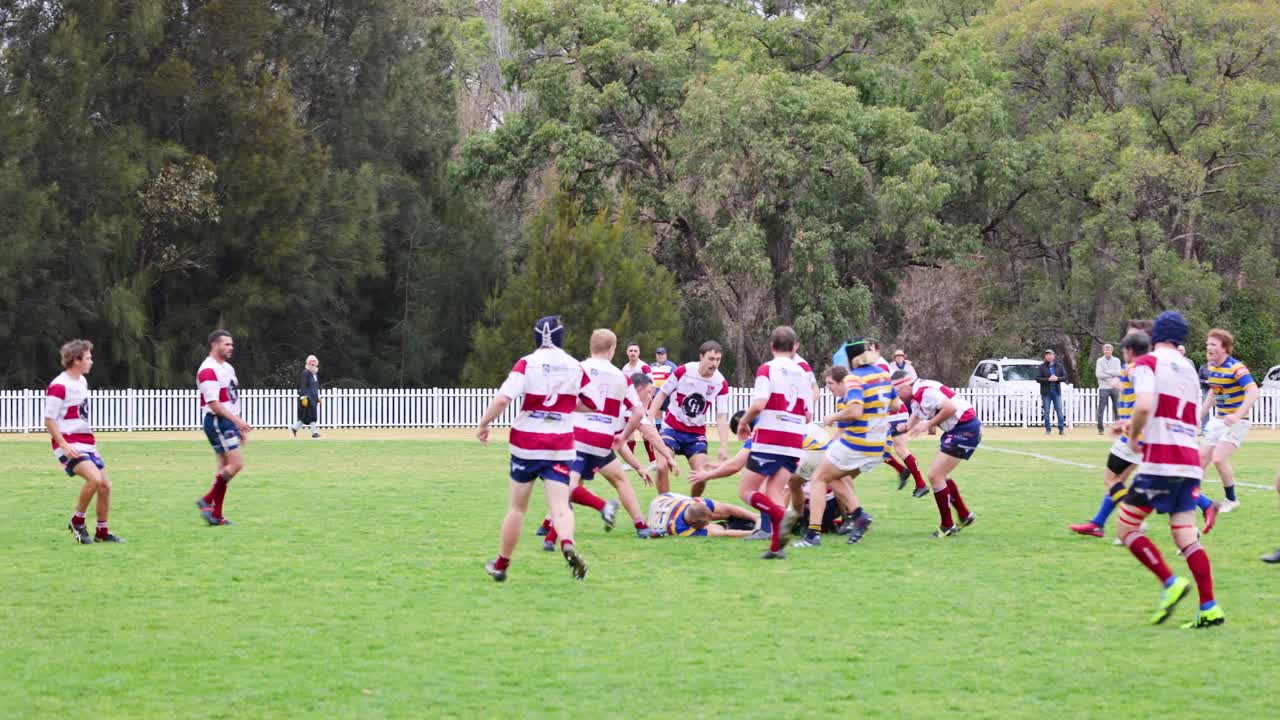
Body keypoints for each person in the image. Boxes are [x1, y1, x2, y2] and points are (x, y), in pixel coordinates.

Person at [1113, 311, 1222, 628]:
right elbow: (1178, 414)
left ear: (1155, 336)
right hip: (1189, 459)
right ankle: (1209, 607)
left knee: (1126, 528)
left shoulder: (1148, 362)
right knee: (1186, 535)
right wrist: (1133, 425)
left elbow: (1146, 405)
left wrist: (1134, 436)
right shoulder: (1189, 368)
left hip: (1161, 460)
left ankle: (1170, 583)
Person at [477, 315, 595, 582]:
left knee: (517, 509)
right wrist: (565, 405)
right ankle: (567, 543)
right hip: (560, 444)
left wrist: (484, 423)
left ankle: (501, 565)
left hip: (526, 444)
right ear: (561, 337)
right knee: (560, 506)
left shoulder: (526, 363)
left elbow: (503, 399)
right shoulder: (575, 366)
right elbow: (593, 402)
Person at [1069, 331, 1206, 538]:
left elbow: (1143, 398)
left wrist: (1129, 419)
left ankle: (1131, 521)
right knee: (1153, 481)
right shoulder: (1149, 367)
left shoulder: (1137, 368)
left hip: (1132, 435)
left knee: (1112, 480)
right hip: (1143, 434)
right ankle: (1098, 523)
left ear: (1129, 350)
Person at [542, 330, 663, 546]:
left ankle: (598, 509)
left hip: (576, 437)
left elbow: (556, 399)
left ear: (591, 346)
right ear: (612, 349)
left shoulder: (578, 369)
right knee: (619, 480)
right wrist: (623, 437)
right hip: (603, 441)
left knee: (567, 485)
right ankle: (641, 526)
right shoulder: (621, 377)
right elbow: (637, 412)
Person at [793, 341, 886, 548]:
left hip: (858, 443)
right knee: (835, 477)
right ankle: (855, 516)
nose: (828, 388)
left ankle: (813, 535)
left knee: (818, 478)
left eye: (830, 384)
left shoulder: (854, 380)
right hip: (878, 445)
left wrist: (832, 417)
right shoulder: (882, 376)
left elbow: (855, 412)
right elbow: (895, 404)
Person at [735, 326, 811, 559]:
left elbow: (760, 403)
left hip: (770, 438)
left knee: (746, 491)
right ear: (794, 347)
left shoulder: (767, 369)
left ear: (771, 346)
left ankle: (780, 516)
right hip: (794, 440)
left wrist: (743, 421)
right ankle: (777, 549)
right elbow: (808, 414)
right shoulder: (803, 373)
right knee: (774, 491)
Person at [44, 339, 123, 544]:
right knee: (94, 479)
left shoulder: (81, 381)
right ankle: (77, 521)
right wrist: (63, 445)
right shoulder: (59, 386)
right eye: (88, 358)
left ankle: (102, 532)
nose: (91, 361)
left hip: (86, 441)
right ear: (76, 360)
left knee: (105, 486)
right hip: (68, 443)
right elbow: (49, 420)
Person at [893, 371, 978, 538]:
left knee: (934, 476)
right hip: (958, 429)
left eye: (897, 391)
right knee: (941, 475)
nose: (897, 396)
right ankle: (964, 515)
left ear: (906, 386)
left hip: (965, 428)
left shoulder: (925, 391)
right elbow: (917, 414)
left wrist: (928, 424)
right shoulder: (916, 395)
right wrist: (906, 427)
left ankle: (947, 526)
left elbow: (950, 408)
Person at [648, 340, 731, 496]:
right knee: (661, 466)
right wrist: (649, 419)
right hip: (671, 429)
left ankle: (692, 506)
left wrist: (724, 447)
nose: (714, 363)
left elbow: (721, 417)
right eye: (711, 359)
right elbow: (662, 394)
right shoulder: (683, 371)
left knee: (702, 476)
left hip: (695, 434)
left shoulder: (721, 383)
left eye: (718, 359)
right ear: (701, 357)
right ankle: (665, 504)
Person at [1199, 328, 1259, 513]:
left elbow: (1253, 391)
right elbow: (1213, 392)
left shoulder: (1237, 368)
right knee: (1200, 459)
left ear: (1224, 348)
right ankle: (1190, 498)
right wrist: (1199, 415)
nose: (1209, 347)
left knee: (1218, 459)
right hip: (1218, 421)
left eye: (1213, 344)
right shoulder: (1211, 367)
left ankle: (1231, 500)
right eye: (1208, 344)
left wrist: (1237, 415)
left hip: (1237, 423)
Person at [196, 330, 252, 527]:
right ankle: (206, 500)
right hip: (217, 421)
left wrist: (238, 426)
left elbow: (231, 399)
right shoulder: (208, 370)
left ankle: (217, 515)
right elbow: (214, 404)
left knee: (223, 468)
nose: (231, 347)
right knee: (236, 465)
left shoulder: (228, 368)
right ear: (215, 345)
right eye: (226, 344)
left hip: (227, 421)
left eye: (231, 344)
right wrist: (237, 422)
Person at [647, 492, 758, 538]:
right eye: (705, 523)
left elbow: (726, 507)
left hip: (666, 499)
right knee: (713, 528)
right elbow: (724, 534)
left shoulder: (695, 502)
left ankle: (752, 517)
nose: (707, 524)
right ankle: (730, 522)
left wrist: (755, 517)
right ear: (693, 523)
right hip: (658, 506)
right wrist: (753, 533)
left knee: (721, 511)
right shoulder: (682, 530)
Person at [619, 342, 657, 467]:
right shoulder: (625, 368)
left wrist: (645, 407)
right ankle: (629, 463)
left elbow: (651, 387)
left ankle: (653, 461)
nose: (633, 353)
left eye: (635, 351)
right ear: (627, 352)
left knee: (645, 434)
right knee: (629, 434)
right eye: (631, 350)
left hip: (643, 405)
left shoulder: (644, 367)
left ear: (639, 352)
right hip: (630, 405)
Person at [290, 355, 321, 438]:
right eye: (311, 362)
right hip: (307, 398)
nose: (313, 364)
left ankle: (294, 428)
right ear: (308, 363)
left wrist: (317, 396)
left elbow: (315, 386)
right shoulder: (305, 373)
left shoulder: (315, 374)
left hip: (313, 398)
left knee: (306, 416)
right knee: (311, 415)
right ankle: (314, 433)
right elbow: (303, 386)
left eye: (314, 362)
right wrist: (303, 397)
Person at [1037, 349, 1066, 435]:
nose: (1048, 356)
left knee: (1059, 411)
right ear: (1045, 357)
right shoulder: (1041, 367)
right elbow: (1037, 379)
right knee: (1046, 412)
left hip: (1056, 392)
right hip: (1046, 393)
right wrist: (1048, 379)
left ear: (1053, 356)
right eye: (1047, 355)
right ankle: (1048, 430)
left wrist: (1057, 378)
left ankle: (1061, 430)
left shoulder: (1059, 366)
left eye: (1050, 355)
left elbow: (1065, 377)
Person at [1095, 344, 1122, 434]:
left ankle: (1118, 428)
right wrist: (1112, 374)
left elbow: (1119, 373)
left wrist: (1106, 372)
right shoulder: (1099, 360)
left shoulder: (1117, 360)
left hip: (1114, 387)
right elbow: (1099, 375)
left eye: (1109, 350)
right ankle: (1100, 429)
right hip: (1103, 387)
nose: (1107, 351)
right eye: (1106, 350)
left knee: (1117, 408)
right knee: (1101, 409)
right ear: (1103, 351)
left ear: (1112, 350)